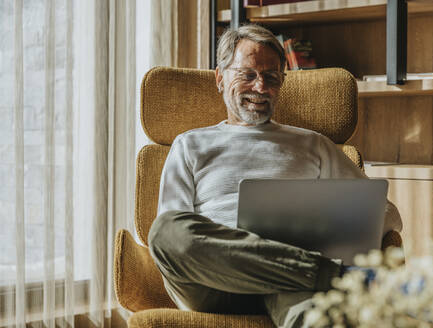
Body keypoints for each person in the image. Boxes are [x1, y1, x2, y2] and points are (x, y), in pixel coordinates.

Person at [147, 24, 402, 328]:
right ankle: (328, 273)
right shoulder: (190, 144)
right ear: (220, 77)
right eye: (248, 75)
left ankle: (309, 271)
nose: (261, 88)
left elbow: (387, 213)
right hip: (213, 284)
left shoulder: (313, 144)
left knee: (313, 317)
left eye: (271, 78)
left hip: (291, 284)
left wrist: (335, 227)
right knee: (164, 231)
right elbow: (174, 235)